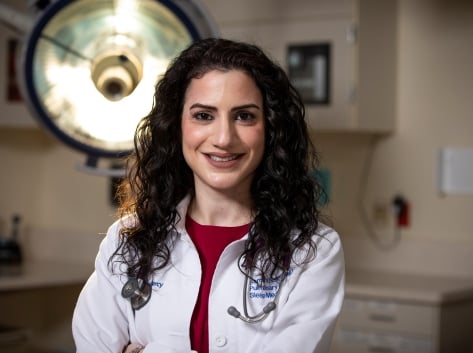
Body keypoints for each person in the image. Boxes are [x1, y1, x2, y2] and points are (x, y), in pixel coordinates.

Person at [72, 37, 345, 353]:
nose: (224, 138)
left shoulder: (313, 253)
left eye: (244, 116)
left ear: (270, 128)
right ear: (178, 126)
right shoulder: (127, 240)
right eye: (203, 115)